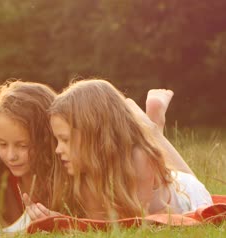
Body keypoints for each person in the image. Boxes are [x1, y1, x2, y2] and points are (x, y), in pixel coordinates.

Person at [47, 79, 212, 220]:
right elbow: (95, 226)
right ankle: (150, 127)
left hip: (185, 195)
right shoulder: (83, 175)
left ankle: (153, 129)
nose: (58, 150)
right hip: (156, 181)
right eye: (58, 140)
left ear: (95, 135)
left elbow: (137, 221)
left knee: (191, 180)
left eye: (65, 140)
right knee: (156, 157)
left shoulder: (139, 159)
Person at [0, 80, 62, 223]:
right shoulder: (2, 177)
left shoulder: (62, 179)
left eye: (22, 146)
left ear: (46, 138)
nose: (11, 156)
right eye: (2, 144)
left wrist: (61, 221)